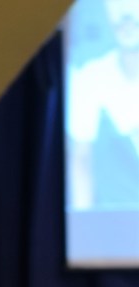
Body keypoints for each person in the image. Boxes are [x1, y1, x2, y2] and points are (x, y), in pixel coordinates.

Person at [68, 0, 139, 209]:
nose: (125, 17)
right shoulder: (91, 77)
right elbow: (81, 159)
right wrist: (84, 223)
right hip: (116, 218)